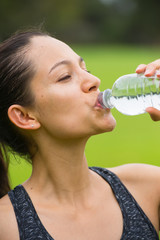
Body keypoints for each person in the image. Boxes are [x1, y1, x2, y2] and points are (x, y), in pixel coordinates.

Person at [0, 29, 159, 240]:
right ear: (24, 116)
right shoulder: (6, 225)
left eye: (86, 69)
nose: (94, 80)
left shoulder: (148, 187)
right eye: (65, 77)